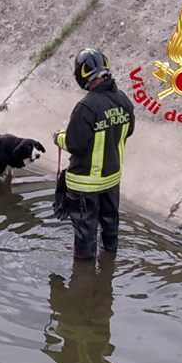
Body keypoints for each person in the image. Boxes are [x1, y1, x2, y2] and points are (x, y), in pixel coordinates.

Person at [53, 48, 135, 260]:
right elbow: (128, 132)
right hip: (111, 181)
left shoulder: (86, 107)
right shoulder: (123, 101)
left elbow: (74, 144)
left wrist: (58, 137)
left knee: (84, 237)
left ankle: (84, 280)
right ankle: (108, 266)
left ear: (82, 75)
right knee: (110, 228)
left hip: (84, 185)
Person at [35, 253, 116, 363]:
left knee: (85, 275)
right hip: (92, 328)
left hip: (88, 328)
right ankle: (100, 259)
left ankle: (80, 266)